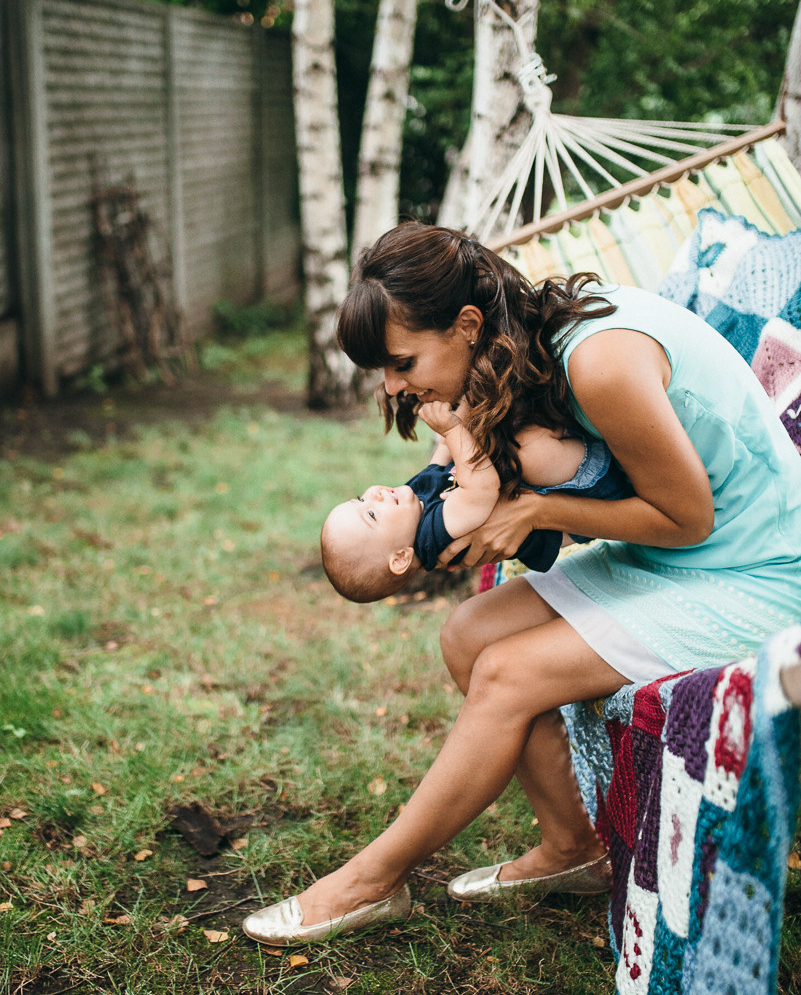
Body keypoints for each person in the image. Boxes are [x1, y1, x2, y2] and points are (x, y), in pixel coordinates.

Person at [243, 222, 801, 946]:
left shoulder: (597, 359)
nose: (392, 386)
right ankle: (573, 849)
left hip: (762, 570)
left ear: (467, 323)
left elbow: (687, 517)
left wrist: (535, 510)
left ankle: (369, 882)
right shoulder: (524, 347)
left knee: (507, 673)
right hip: (685, 555)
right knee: (469, 634)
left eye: (401, 361)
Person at [321, 397, 633, 603]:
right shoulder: (434, 537)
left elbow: (440, 461)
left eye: (360, 498)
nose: (373, 495)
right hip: (587, 492)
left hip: (557, 484)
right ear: (401, 558)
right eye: (372, 514)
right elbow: (482, 488)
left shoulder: (410, 506)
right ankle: (620, 455)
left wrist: (463, 405)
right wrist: (453, 428)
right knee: (529, 448)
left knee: (519, 440)